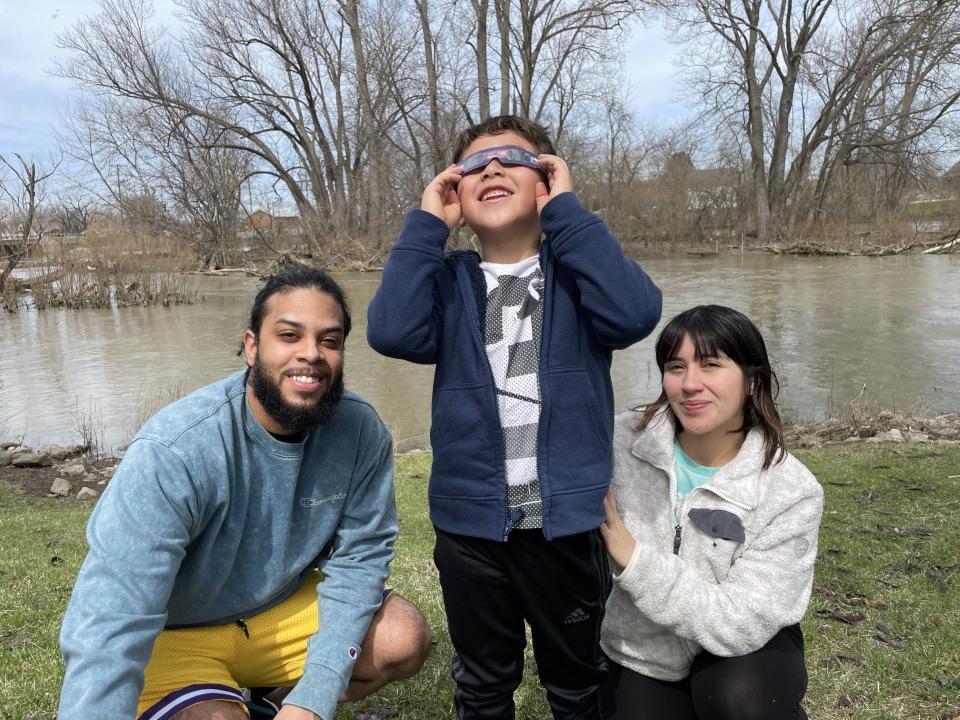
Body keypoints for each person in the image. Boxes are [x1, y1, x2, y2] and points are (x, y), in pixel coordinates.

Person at [366, 115, 662, 719]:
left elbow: (634, 314)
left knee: (578, 680)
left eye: (512, 159)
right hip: (471, 529)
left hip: (566, 527)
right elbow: (390, 329)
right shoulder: (446, 282)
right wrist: (426, 228)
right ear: (455, 189)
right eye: (475, 164)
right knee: (483, 682)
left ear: (546, 182)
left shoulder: (576, 273)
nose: (493, 168)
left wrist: (570, 216)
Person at [58, 268, 431, 720]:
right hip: (175, 633)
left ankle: (276, 703)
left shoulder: (360, 432)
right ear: (252, 346)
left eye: (329, 341)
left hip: (276, 616)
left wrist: (311, 700)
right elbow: (111, 620)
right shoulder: (176, 450)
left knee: (403, 636)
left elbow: (360, 562)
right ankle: (206, 698)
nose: (311, 354)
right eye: (289, 335)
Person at [598, 305, 823, 720]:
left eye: (711, 365)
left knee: (742, 699)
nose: (689, 385)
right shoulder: (617, 445)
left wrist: (635, 559)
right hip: (644, 646)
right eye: (675, 366)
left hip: (745, 648)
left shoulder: (792, 490)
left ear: (752, 380)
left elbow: (739, 619)